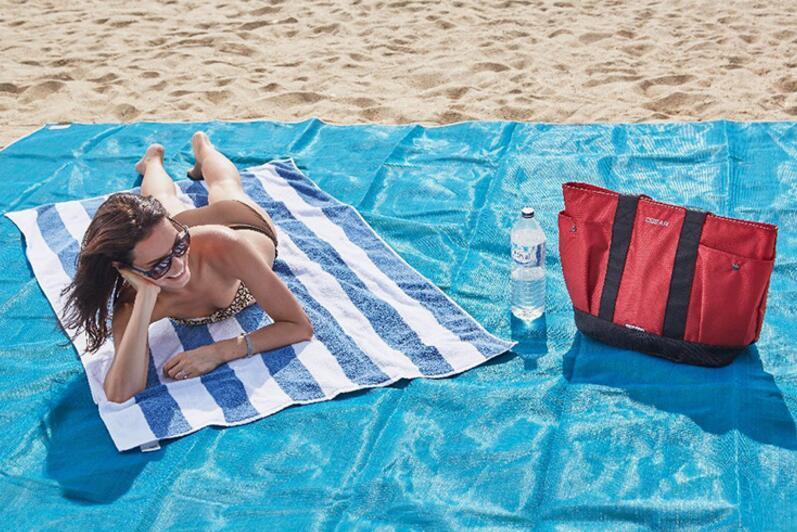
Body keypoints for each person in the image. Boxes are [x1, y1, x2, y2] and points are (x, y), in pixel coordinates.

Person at [61, 132, 313, 403]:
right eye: (159, 265)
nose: (179, 265)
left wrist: (219, 351)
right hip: (173, 230)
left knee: (225, 187)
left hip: (240, 223)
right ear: (126, 269)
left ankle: (203, 148)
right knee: (162, 199)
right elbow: (120, 391)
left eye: (179, 247)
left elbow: (298, 326)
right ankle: (152, 162)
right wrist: (146, 298)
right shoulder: (132, 302)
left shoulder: (224, 244)